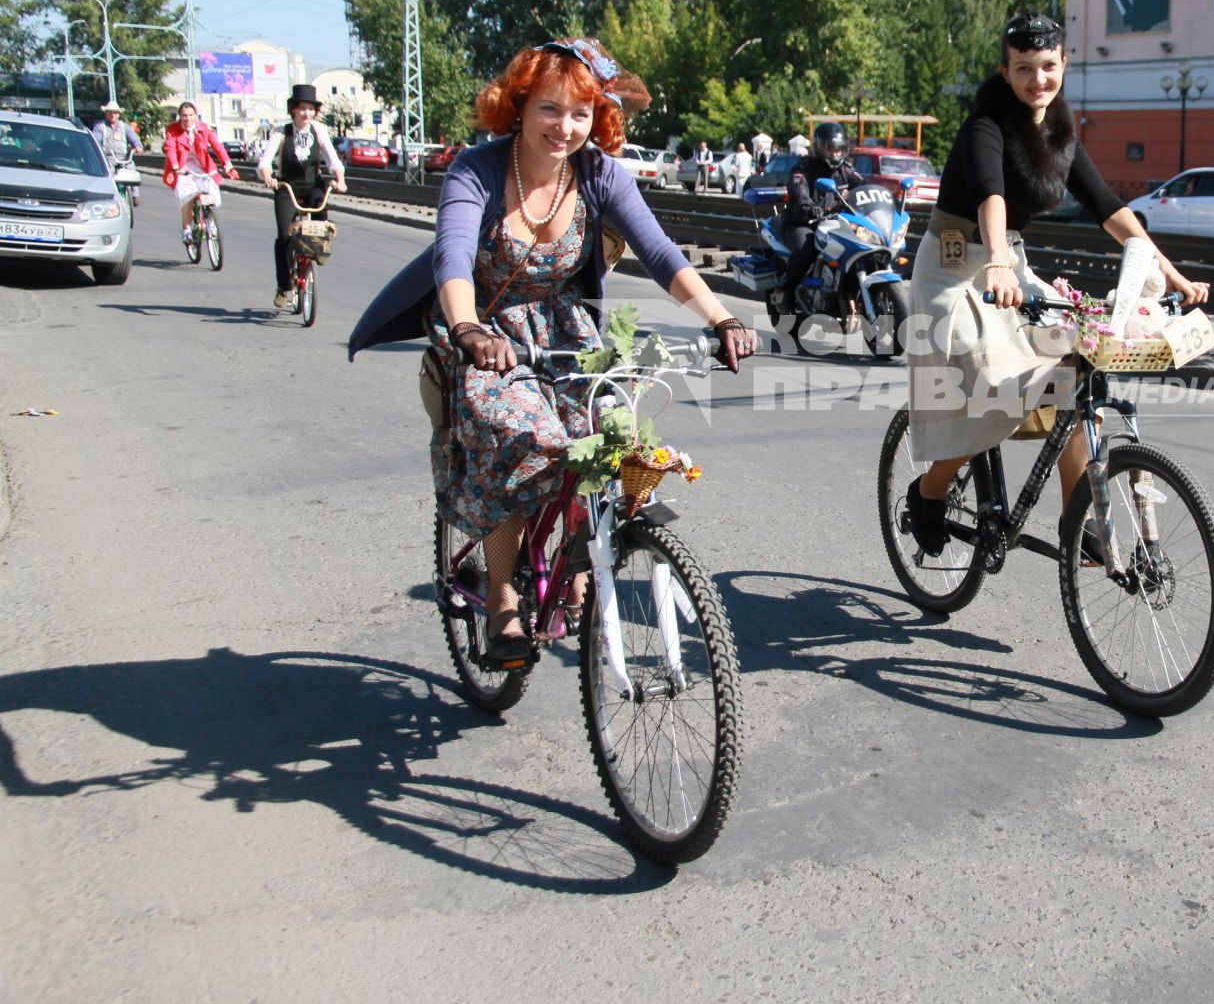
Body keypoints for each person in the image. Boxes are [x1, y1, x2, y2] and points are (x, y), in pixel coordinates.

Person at [347, 38, 756, 665]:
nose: (564, 128)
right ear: (519, 105)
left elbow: (661, 254)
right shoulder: (477, 170)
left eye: (581, 114)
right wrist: (466, 331)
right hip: (486, 335)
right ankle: (504, 599)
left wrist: (723, 317)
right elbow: (451, 259)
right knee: (527, 443)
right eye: (549, 109)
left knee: (610, 429)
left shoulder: (597, 174)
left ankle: (579, 565)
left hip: (566, 334)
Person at [901, 10, 1211, 559]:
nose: (1037, 79)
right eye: (1024, 68)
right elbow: (989, 195)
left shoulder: (1061, 134)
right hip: (955, 269)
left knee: (1074, 371)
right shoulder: (985, 127)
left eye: (1047, 66)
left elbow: (1111, 209)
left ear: (1064, 63)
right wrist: (996, 258)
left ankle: (1081, 522)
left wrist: (1169, 271)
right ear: (1004, 71)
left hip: (1008, 271)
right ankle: (928, 496)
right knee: (984, 388)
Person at [258, 83, 348, 309]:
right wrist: (268, 176)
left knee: (322, 219)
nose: (307, 114)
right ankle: (284, 286)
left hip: (312, 186)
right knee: (284, 236)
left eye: (311, 109)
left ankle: (318, 250)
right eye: (302, 109)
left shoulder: (319, 131)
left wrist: (340, 179)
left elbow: (333, 160)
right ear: (293, 111)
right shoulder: (281, 132)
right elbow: (264, 162)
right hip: (286, 187)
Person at [775, 120, 865, 313]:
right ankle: (786, 290)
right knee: (806, 249)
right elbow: (799, 191)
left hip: (835, 224)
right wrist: (807, 206)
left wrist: (881, 199)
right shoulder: (803, 169)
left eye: (839, 149)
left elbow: (863, 186)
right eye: (829, 148)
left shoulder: (846, 170)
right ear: (818, 147)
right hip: (803, 222)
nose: (835, 153)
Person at [161, 102, 237, 245]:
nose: (187, 119)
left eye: (190, 115)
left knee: (211, 191)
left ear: (196, 116)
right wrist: (176, 167)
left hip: (203, 165)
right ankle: (187, 230)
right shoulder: (172, 130)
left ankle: (211, 223)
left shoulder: (203, 129)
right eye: (184, 116)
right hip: (183, 166)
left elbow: (217, 147)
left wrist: (227, 164)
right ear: (179, 116)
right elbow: (170, 149)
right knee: (187, 195)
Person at [89, 101, 142, 167]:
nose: (112, 115)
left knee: (132, 172)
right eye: (110, 112)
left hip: (125, 160)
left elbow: (136, 141)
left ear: (119, 114)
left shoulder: (126, 127)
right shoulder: (100, 127)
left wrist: (137, 146)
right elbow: (95, 141)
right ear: (106, 113)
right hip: (107, 160)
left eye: (115, 113)